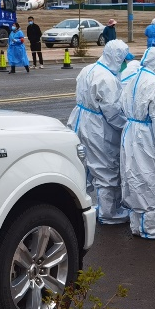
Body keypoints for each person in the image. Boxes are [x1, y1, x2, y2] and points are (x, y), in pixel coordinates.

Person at [67, 39, 131, 225]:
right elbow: (112, 112)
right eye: (123, 59)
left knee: (83, 167)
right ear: (116, 58)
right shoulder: (107, 78)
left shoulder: (88, 69)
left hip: (79, 121)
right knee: (106, 168)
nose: (124, 63)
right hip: (97, 127)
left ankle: (79, 207)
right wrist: (127, 127)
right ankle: (108, 213)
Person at [119, 46, 155, 240]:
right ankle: (151, 228)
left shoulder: (133, 79)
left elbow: (121, 106)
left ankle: (137, 225)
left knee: (132, 177)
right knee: (148, 179)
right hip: (146, 136)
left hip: (130, 132)